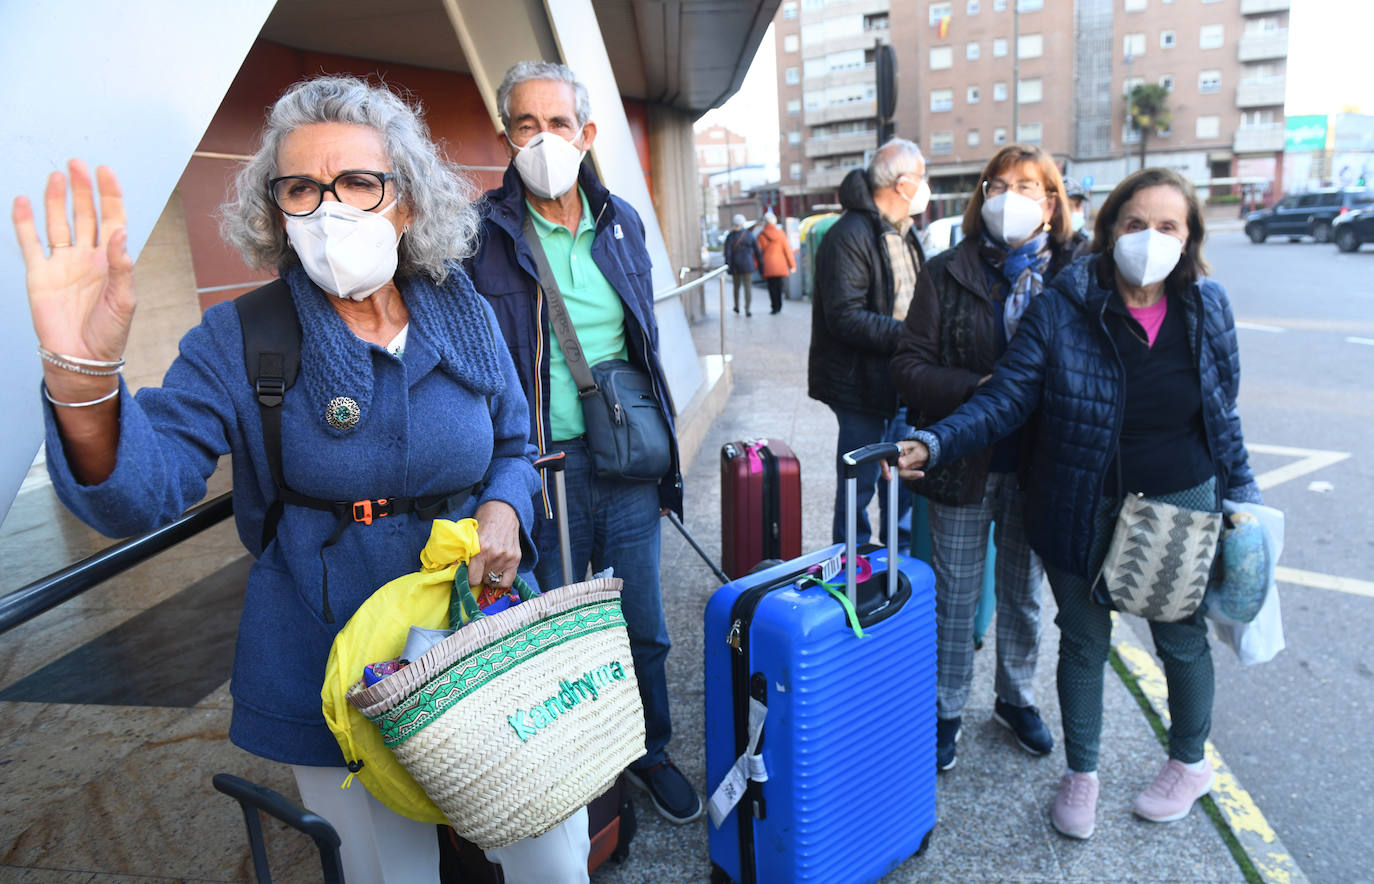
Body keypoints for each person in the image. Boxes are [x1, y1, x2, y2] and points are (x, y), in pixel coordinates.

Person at [11, 76, 601, 882]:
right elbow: (139, 493)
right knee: (386, 872)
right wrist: (85, 381)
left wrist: (505, 507)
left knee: (548, 853)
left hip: (479, 628)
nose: (330, 208)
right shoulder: (240, 337)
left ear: (406, 202)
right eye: (301, 187)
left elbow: (511, 440)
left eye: (359, 182)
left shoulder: (459, 303)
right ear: (277, 211)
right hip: (322, 657)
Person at [892, 167, 1261, 840]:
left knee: (1180, 641)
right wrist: (937, 443)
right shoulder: (1064, 305)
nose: (1149, 239)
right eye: (1135, 224)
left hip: (1180, 500)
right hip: (1077, 498)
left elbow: (1222, 414)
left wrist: (1244, 499)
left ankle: (1188, 763)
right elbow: (1007, 396)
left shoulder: (1208, 306)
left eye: (1168, 226)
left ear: (1190, 237)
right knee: (1084, 643)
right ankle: (1081, 774)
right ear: (1109, 229)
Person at [464, 61, 702, 825]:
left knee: (643, 626)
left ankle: (650, 750)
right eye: (525, 125)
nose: (542, 139)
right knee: (557, 633)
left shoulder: (623, 220)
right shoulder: (481, 235)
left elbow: (644, 340)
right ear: (507, 135)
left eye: (558, 123)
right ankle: (576, 775)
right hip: (540, 470)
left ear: (587, 133)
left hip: (624, 461)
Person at [890, 144, 1077, 773]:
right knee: (955, 597)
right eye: (997, 185)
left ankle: (1015, 698)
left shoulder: (1073, 276)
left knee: (1024, 594)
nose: (1009, 197)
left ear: (1051, 203)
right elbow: (908, 368)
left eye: (1027, 186)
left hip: (1040, 469)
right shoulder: (947, 271)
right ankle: (944, 709)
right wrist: (980, 389)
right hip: (961, 462)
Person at [808, 137, 928, 548]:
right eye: (922, 178)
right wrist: (915, 338)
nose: (925, 187)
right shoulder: (849, 235)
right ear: (902, 184)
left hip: (901, 379)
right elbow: (845, 317)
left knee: (904, 479)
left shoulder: (905, 231)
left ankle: (900, 562)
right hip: (861, 384)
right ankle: (853, 564)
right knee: (860, 484)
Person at [755, 211, 795, 314]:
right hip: (780, 265)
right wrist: (792, 265)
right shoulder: (781, 234)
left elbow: (758, 253)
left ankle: (774, 307)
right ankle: (779, 305)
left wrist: (755, 265)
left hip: (768, 266)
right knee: (779, 286)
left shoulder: (761, 236)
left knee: (771, 286)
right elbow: (787, 250)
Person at [723, 213, 763, 315]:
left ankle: (736, 306)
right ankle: (747, 308)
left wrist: (728, 265)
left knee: (736, 287)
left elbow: (727, 253)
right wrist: (761, 265)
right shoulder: (749, 235)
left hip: (735, 265)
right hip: (748, 265)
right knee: (748, 288)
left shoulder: (730, 236)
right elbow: (757, 251)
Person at [1064, 177, 1093, 258]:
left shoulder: (1086, 243)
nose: (1075, 211)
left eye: (1078, 205)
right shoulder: (1043, 243)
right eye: (1069, 206)